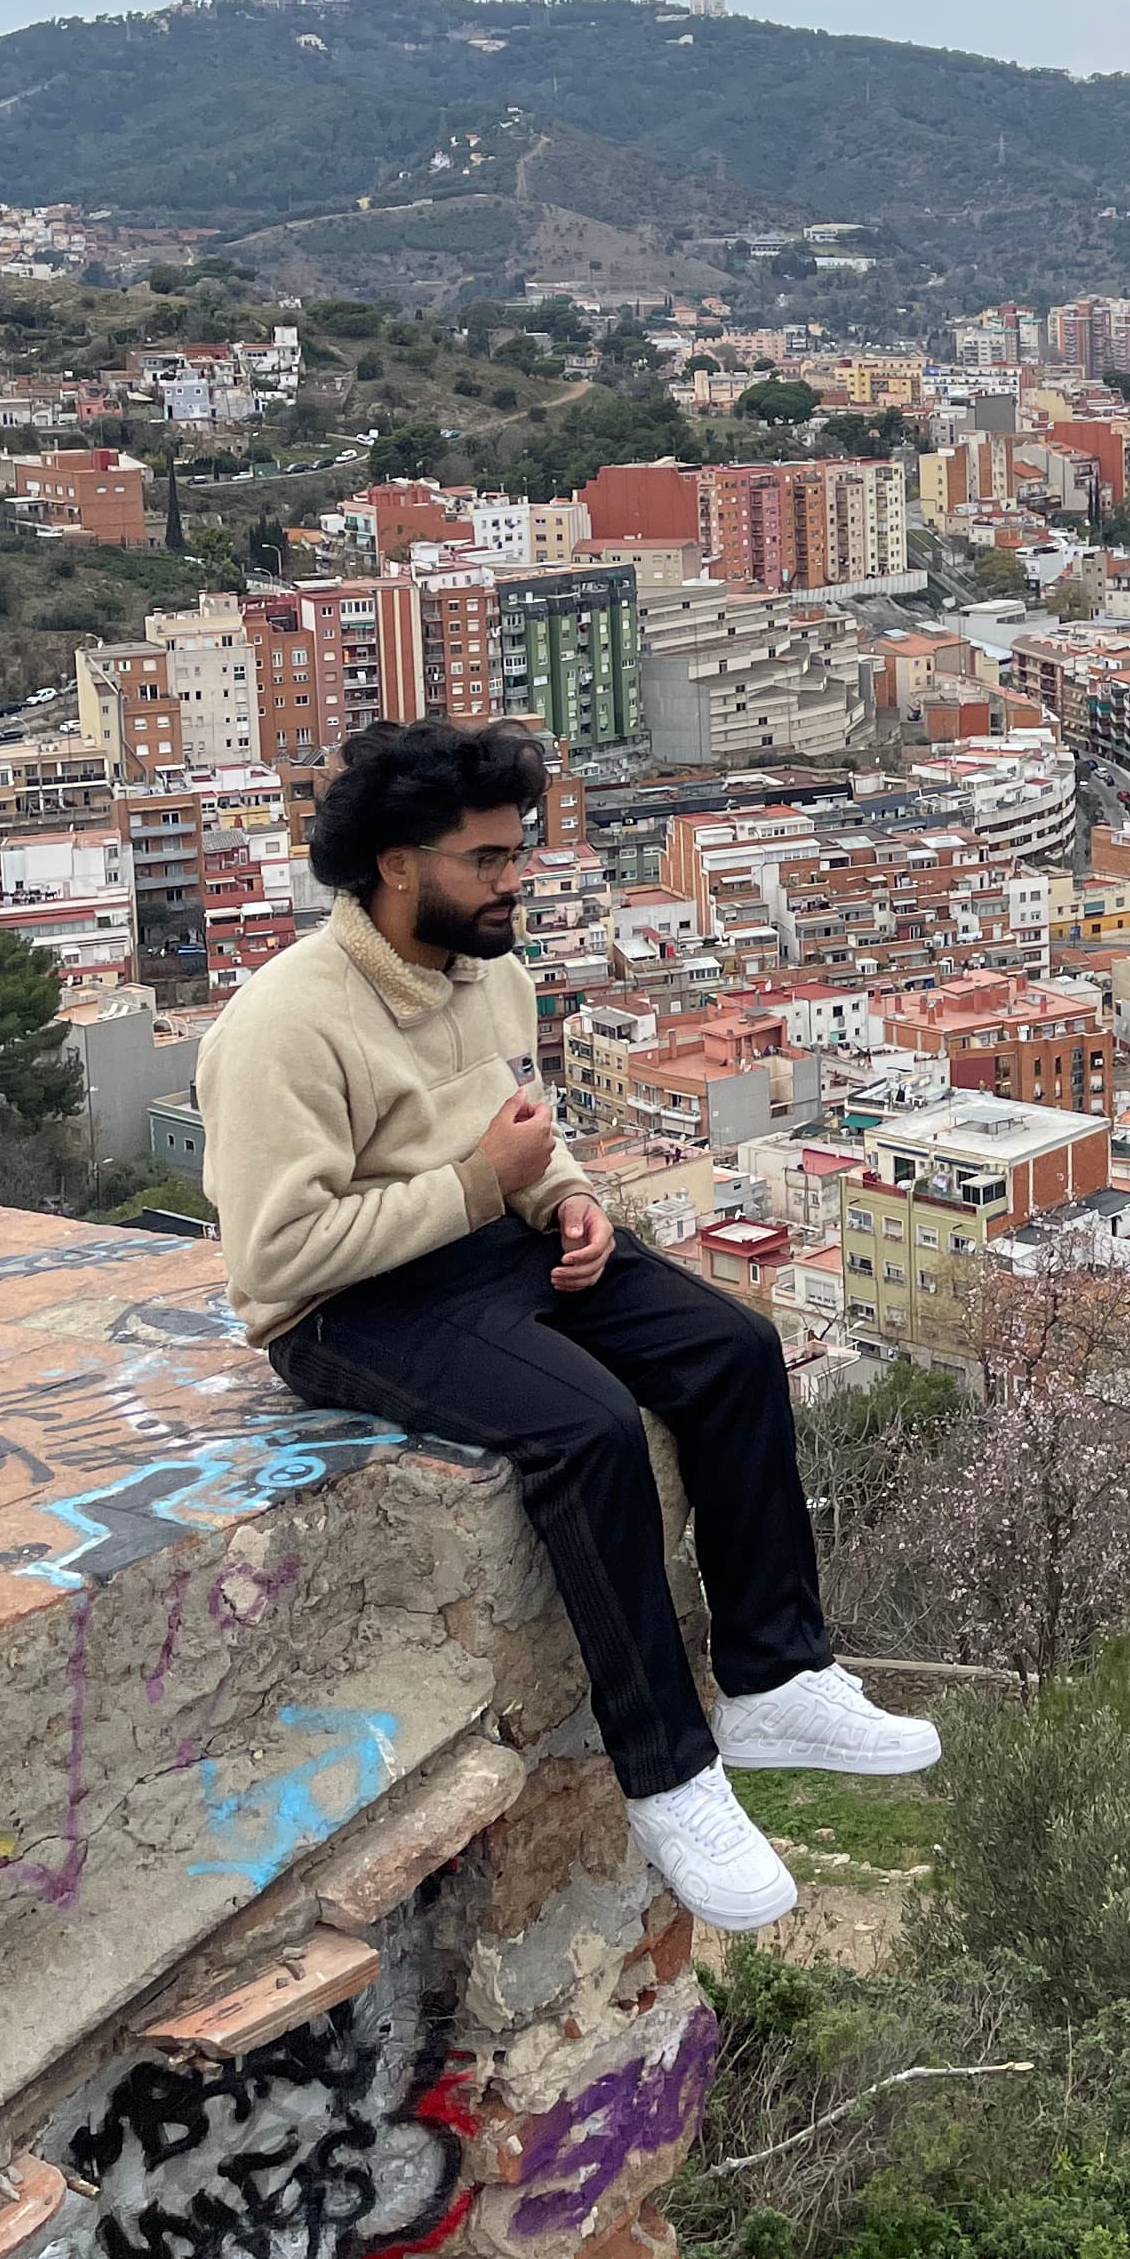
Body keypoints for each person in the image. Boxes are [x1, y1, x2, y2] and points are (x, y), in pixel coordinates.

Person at [196, 716, 936, 1926]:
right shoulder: (285, 1025)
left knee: (735, 1349)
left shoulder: (491, 973)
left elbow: (524, 1136)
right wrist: (488, 1185)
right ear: (395, 863)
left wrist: (568, 1198)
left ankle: (774, 1675)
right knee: (586, 1429)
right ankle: (670, 1773)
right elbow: (271, 1263)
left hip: (485, 1242)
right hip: (343, 1307)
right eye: (486, 859)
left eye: (516, 853)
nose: (514, 879)